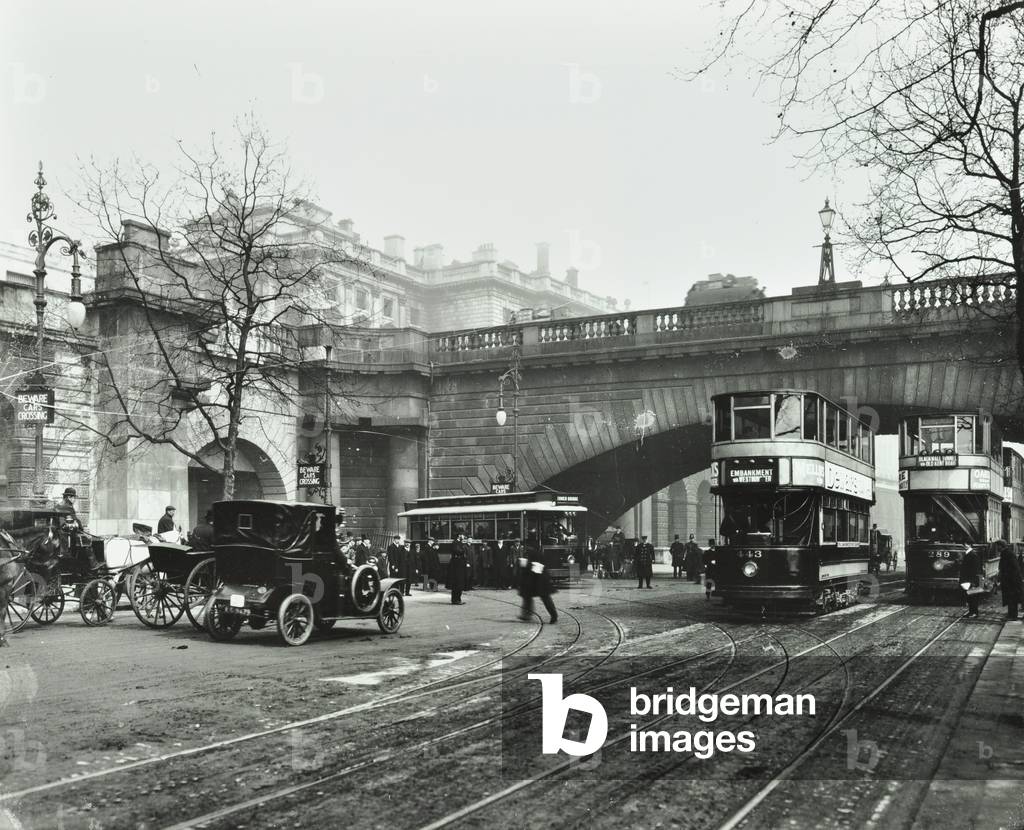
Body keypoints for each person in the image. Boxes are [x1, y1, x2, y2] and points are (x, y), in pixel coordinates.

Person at [519, 531, 557, 623]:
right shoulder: (535, 552)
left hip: (539, 581)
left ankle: (554, 616)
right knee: (528, 596)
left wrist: (525, 564)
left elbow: (536, 568)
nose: (525, 547)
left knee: (544, 598)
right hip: (536, 580)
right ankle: (526, 615)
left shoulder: (533, 554)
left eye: (526, 545)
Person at [997, 540, 1023, 621]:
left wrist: (1009, 577)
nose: (997, 548)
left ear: (1001, 546)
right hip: (1009, 580)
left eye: (998, 546)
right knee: (1010, 598)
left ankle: (1013, 616)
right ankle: (1010, 614)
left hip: (1012, 581)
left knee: (1012, 598)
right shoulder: (1006, 553)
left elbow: (1014, 568)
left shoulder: (1008, 554)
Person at [960, 544, 982, 618]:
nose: (964, 546)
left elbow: (976, 569)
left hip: (972, 580)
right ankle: (971, 611)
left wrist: (973, 581)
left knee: (973, 596)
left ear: (969, 545)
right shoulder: (968, 554)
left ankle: (974, 612)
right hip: (968, 579)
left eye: (966, 544)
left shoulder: (972, 555)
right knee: (969, 596)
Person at [449, 533, 471, 605]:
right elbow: (458, 551)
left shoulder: (460, 543)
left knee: (460, 582)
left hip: (460, 564)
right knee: (457, 582)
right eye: (462, 535)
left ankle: (458, 599)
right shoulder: (455, 543)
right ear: (459, 535)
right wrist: (463, 551)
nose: (464, 536)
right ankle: (455, 600)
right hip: (456, 565)